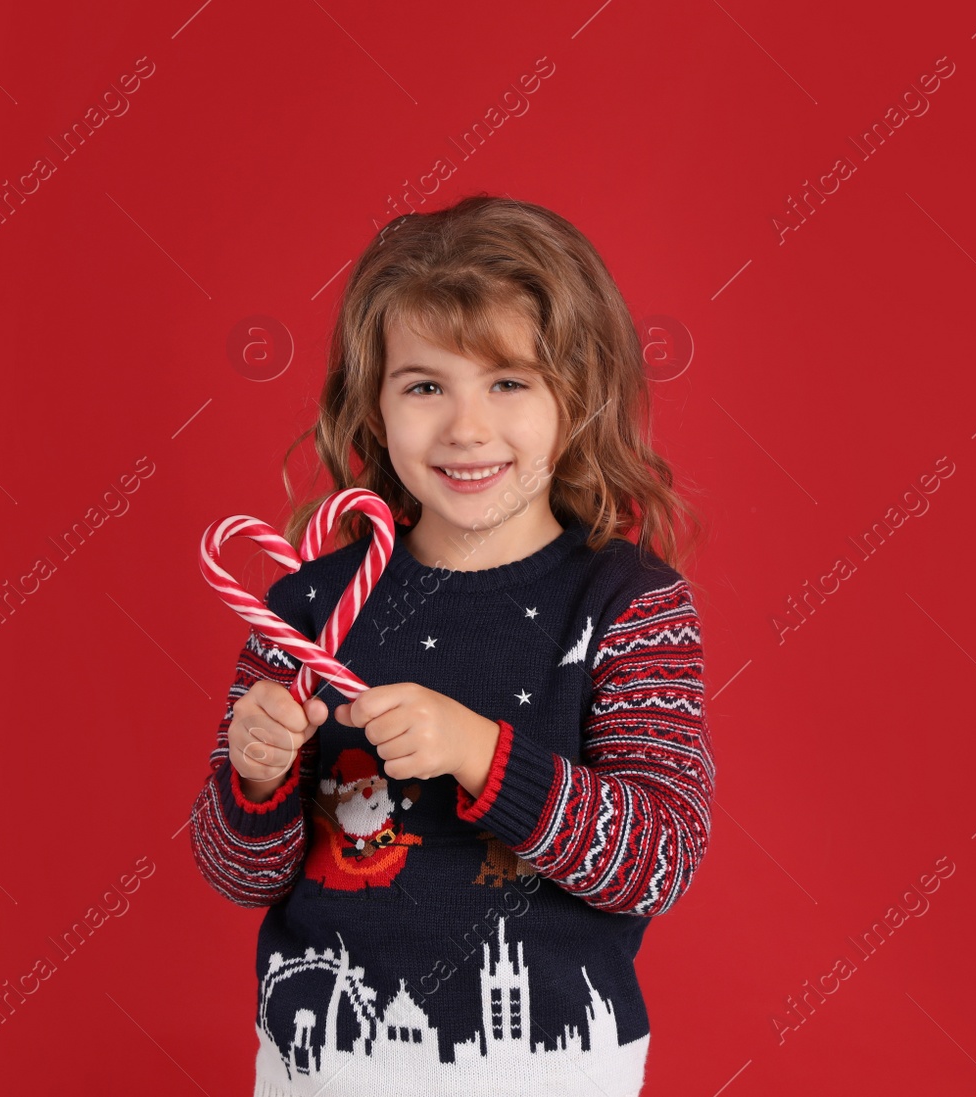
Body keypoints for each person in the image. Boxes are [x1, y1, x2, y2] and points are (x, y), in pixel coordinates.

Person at [189, 194, 713, 1096]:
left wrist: (478, 752)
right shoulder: (307, 607)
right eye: (425, 385)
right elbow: (237, 873)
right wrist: (258, 774)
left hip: (550, 1071)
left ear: (576, 397)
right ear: (375, 405)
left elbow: (657, 857)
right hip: (324, 1069)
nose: (466, 427)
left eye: (508, 382)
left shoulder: (626, 604)